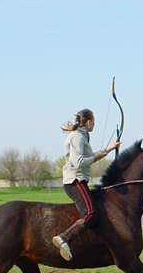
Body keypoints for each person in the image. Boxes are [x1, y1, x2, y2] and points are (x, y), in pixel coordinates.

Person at [52, 108, 121, 261]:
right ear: (89, 122)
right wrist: (97, 156)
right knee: (91, 214)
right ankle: (65, 238)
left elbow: (87, 157)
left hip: (77, 180)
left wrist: (108, 149)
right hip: (74, 181)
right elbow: (79, 162)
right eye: (94, 122)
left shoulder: (82, 136)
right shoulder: (77, 137)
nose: (94, 125)